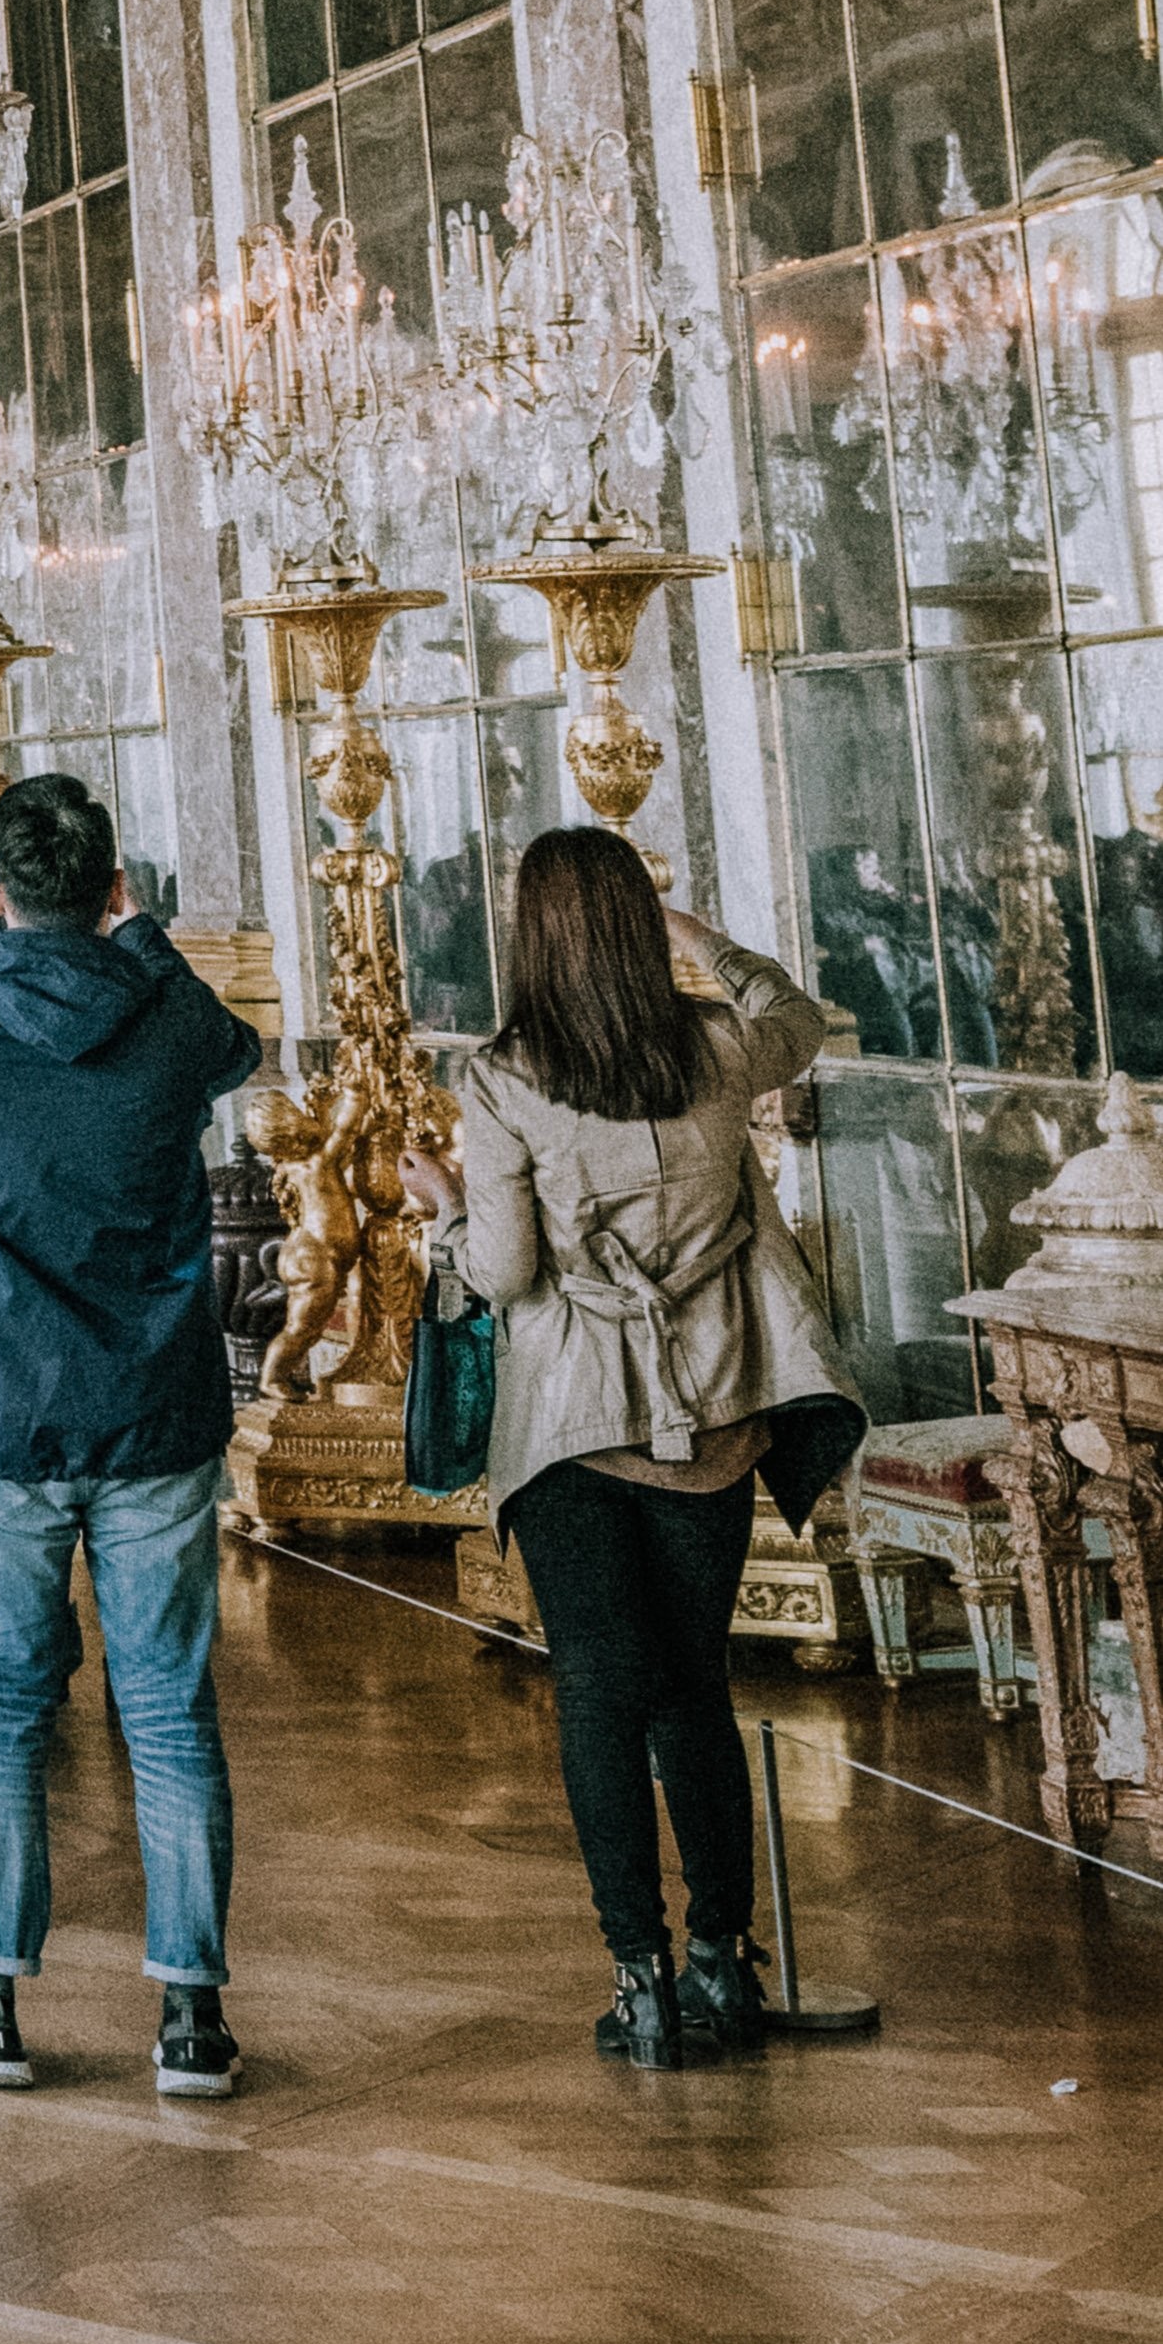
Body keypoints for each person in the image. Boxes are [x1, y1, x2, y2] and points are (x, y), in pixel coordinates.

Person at [0, 771, 264, 2103]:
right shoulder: (163, 1024)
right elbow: (231, 1048)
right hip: (149, 1407)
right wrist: (133, 933)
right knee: (167, 1720)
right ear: (107, 890)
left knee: (1, 1720)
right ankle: (190, 2019)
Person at [458, 824, 860, 2064]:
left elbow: (507, 1268)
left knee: (595, 1688)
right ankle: (719, 1962)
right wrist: (700, 940)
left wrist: (440, 1222)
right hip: (714, 1413)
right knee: (692, 1683)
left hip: (572, 1423)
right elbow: (800, 1012)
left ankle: (634, 1981)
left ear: (528, 936)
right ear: (641, 927)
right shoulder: (720, 1047)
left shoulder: (500, 1077)